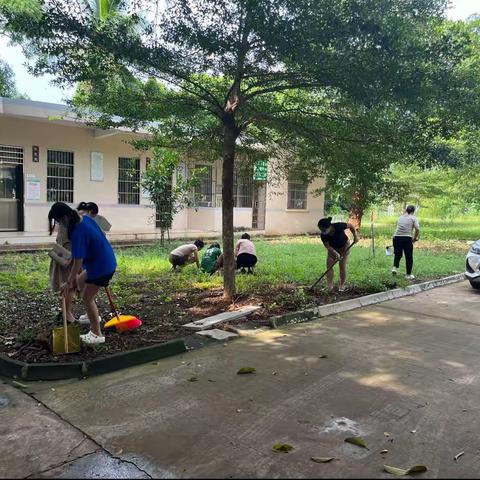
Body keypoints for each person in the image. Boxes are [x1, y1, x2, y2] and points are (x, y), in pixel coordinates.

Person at [48, 202, 117, 345]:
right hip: (104, 261)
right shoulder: (84, 218)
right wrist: (72, 282)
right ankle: (91, 315)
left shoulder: (78, 231)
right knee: (79, 282)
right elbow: (77, 256)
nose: (61, 224)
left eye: (60, 221)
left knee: (87, 298)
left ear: (65, 217)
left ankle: (96, 334)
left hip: (101, 267)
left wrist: (68, 281)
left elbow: (78, 261)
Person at [318, 217, 359, 292]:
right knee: (329, 265)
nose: (322, 232)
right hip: (333, 248)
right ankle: (329, 286)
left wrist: (355, 236)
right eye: (321, 230)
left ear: (329, 227)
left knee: (342, 265)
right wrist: (335, 253)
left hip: (344, 246)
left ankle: (342, 285)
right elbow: (327, 246)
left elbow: (350, 226)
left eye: (324, 230)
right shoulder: (323, 235)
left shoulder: (339, 226)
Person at [392, 205, 420, 280]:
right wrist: (415, 238)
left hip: (396, 237)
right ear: (413, 211)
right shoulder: (413, 218)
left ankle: (394, 268)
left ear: (406, 210)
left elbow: (398, 227)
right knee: (409, 257)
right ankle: (408, 275)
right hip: (407, 238)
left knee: (398, 254)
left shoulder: (400, 217)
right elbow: (417, 229)